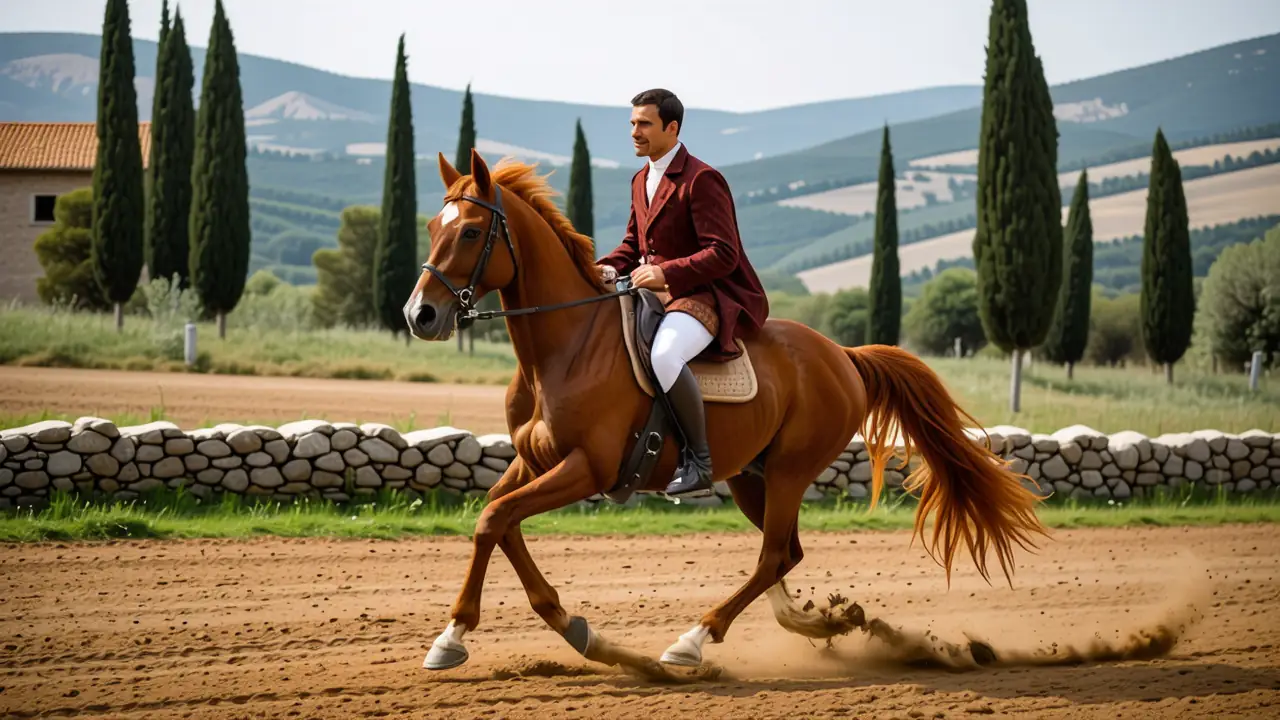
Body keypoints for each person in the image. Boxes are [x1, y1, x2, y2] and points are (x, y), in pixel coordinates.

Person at [596, 88, 770, 497]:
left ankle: (699, 462)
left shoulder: (702, 179)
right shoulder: (641, 178)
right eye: (632, 124)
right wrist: (606, 266)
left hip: (704, 296)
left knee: (664, 354)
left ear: (671, 128)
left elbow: (723, 254)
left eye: (644, 124)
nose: (635, 132)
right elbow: (632, 245)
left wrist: (664, 274)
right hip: (654, 294)